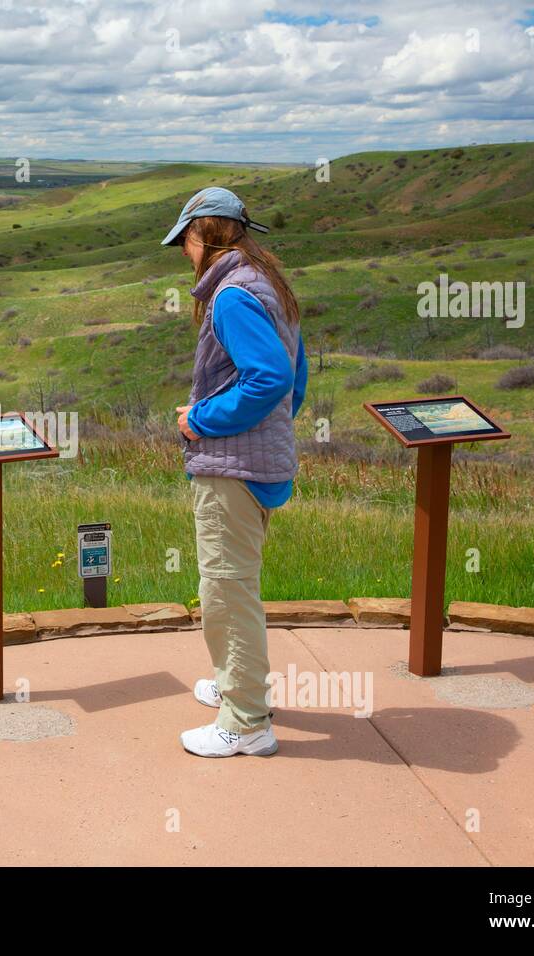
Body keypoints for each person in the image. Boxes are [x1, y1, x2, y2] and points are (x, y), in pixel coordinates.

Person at [161, 186, 307, 758]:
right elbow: (294, 380)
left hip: (232, 467)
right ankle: (233, 684)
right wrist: (269, 431)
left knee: (226, 589)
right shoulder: (270, 282)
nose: (182, 253)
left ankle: (246, 722)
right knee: (230, 584)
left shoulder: (231, 296)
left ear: (206, 234)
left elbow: (268, 379)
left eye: (185, 240)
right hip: (255, 460)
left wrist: (202, 418)